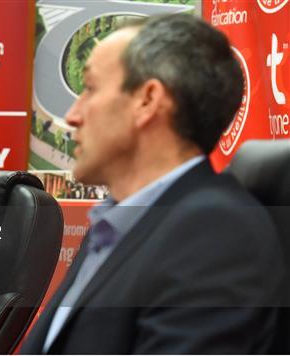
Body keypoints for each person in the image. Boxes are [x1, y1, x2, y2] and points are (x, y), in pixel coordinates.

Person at [21, 14, 284, 354]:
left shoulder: (214, 237)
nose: (72, 115)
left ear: (147, 101)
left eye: (90, 89)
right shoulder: (121, 223)